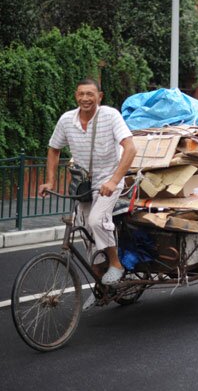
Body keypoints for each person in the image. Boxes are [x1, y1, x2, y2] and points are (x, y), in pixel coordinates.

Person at [38, 78, 136, 291]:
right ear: (76, 95)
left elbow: (130, 148)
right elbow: (53, 149)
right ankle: (101, 283)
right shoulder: (66, 120)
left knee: (96, 220)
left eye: (90, 94)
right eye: (81, 94)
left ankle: (116, 263)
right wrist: (50, 181)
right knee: (83, 228)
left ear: (99, 97)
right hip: (83, 184)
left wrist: (113, 180)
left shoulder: (110, 116)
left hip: (110, 180)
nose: (85, 98)